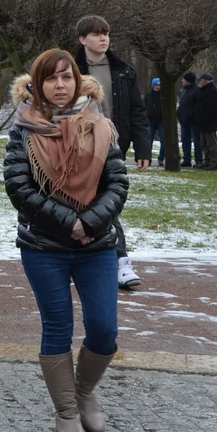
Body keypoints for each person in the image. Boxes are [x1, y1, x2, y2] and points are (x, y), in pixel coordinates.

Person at [3, 50, 127, 432]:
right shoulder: (23, 130)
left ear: (77, 81)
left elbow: (118, 183)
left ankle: (84, 390)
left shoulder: (100, 124)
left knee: (104, 330)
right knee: (57, 328)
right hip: (44, 246)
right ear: (37, 85)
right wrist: (67, 221)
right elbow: (19, 188)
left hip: (97, 244)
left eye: (67, 78)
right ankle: (67, 413)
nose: (60, 86)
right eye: (51, 79)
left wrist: (89, 222)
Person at [73, 15, 148, 290]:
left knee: (109, 200)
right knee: (89, 201)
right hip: (78, 146)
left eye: (106, 33)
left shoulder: (124, 70)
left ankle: (119, 262)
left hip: (115, 147)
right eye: (96, 34)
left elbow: (137, 111)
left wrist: (142, 147)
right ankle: (105, 260)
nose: (103, 38)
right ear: (83, 39)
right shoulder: (69, 69)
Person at [178, 72, 204, 167]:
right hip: (184, 120)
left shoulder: (197, 90)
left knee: (197, 141)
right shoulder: (185, 91)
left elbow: (199, 105)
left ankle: (199, 160)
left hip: (193, 121)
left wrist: (192, 114)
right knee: (185, 141)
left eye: (184, 79)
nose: (182, 81)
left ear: (188, 80)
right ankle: (187, 159)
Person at [196, 73, 217, 170]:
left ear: (205, 81)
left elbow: (212, 109)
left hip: (209, 122)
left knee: (211, 143)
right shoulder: (204, 91)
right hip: (203, 122)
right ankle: (207, 160)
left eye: (201, 80)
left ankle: (215, 161)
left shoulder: (213, 92)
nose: (200, 82)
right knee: (204, 143)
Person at [145, 78, 164, 167]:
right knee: (149, 140)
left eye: (159, 85)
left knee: (163, 140)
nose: (157, 87)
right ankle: (148, 158)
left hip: (161, 121)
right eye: (156, 85)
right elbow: (143, 107)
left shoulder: (163, 96)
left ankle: (161, 158)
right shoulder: (148, 96)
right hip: (150, 120)